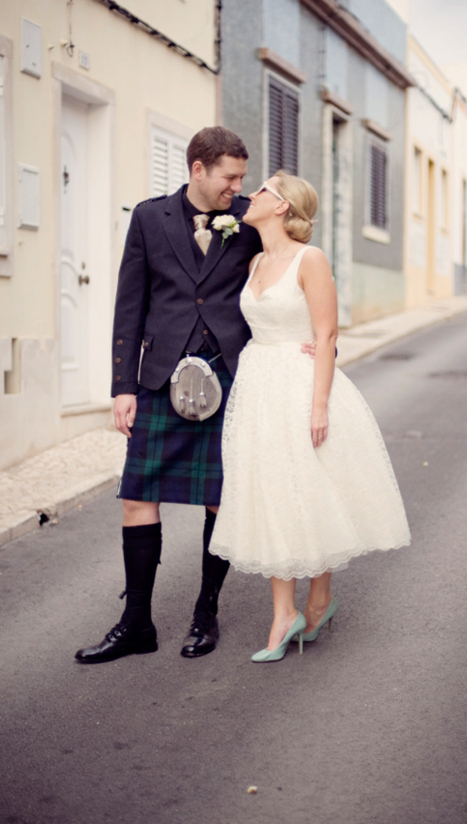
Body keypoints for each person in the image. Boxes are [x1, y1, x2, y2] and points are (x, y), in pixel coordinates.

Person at [75, 126, 264, 664]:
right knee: (137, 496)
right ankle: (137, 623)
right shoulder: (148, 217)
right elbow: (128, 305)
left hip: (228, 373)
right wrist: (122, 387)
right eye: (229, 176)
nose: (237, 186)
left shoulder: (250, 217)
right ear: (198, 170)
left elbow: (289, 268)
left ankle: (206, 611)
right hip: (160, 377)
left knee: (217, 497)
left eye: (242, 177)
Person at [210, 171, 411, 662]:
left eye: (262, 190)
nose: (250, 194)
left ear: (281, 207)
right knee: (276, 491)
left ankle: (318, 598)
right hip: (258, 388)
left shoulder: (310, 259)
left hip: (302, 386)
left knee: (314, 487)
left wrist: (318, 404)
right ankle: (285, 613)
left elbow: (325, 334)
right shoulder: (255, 260)